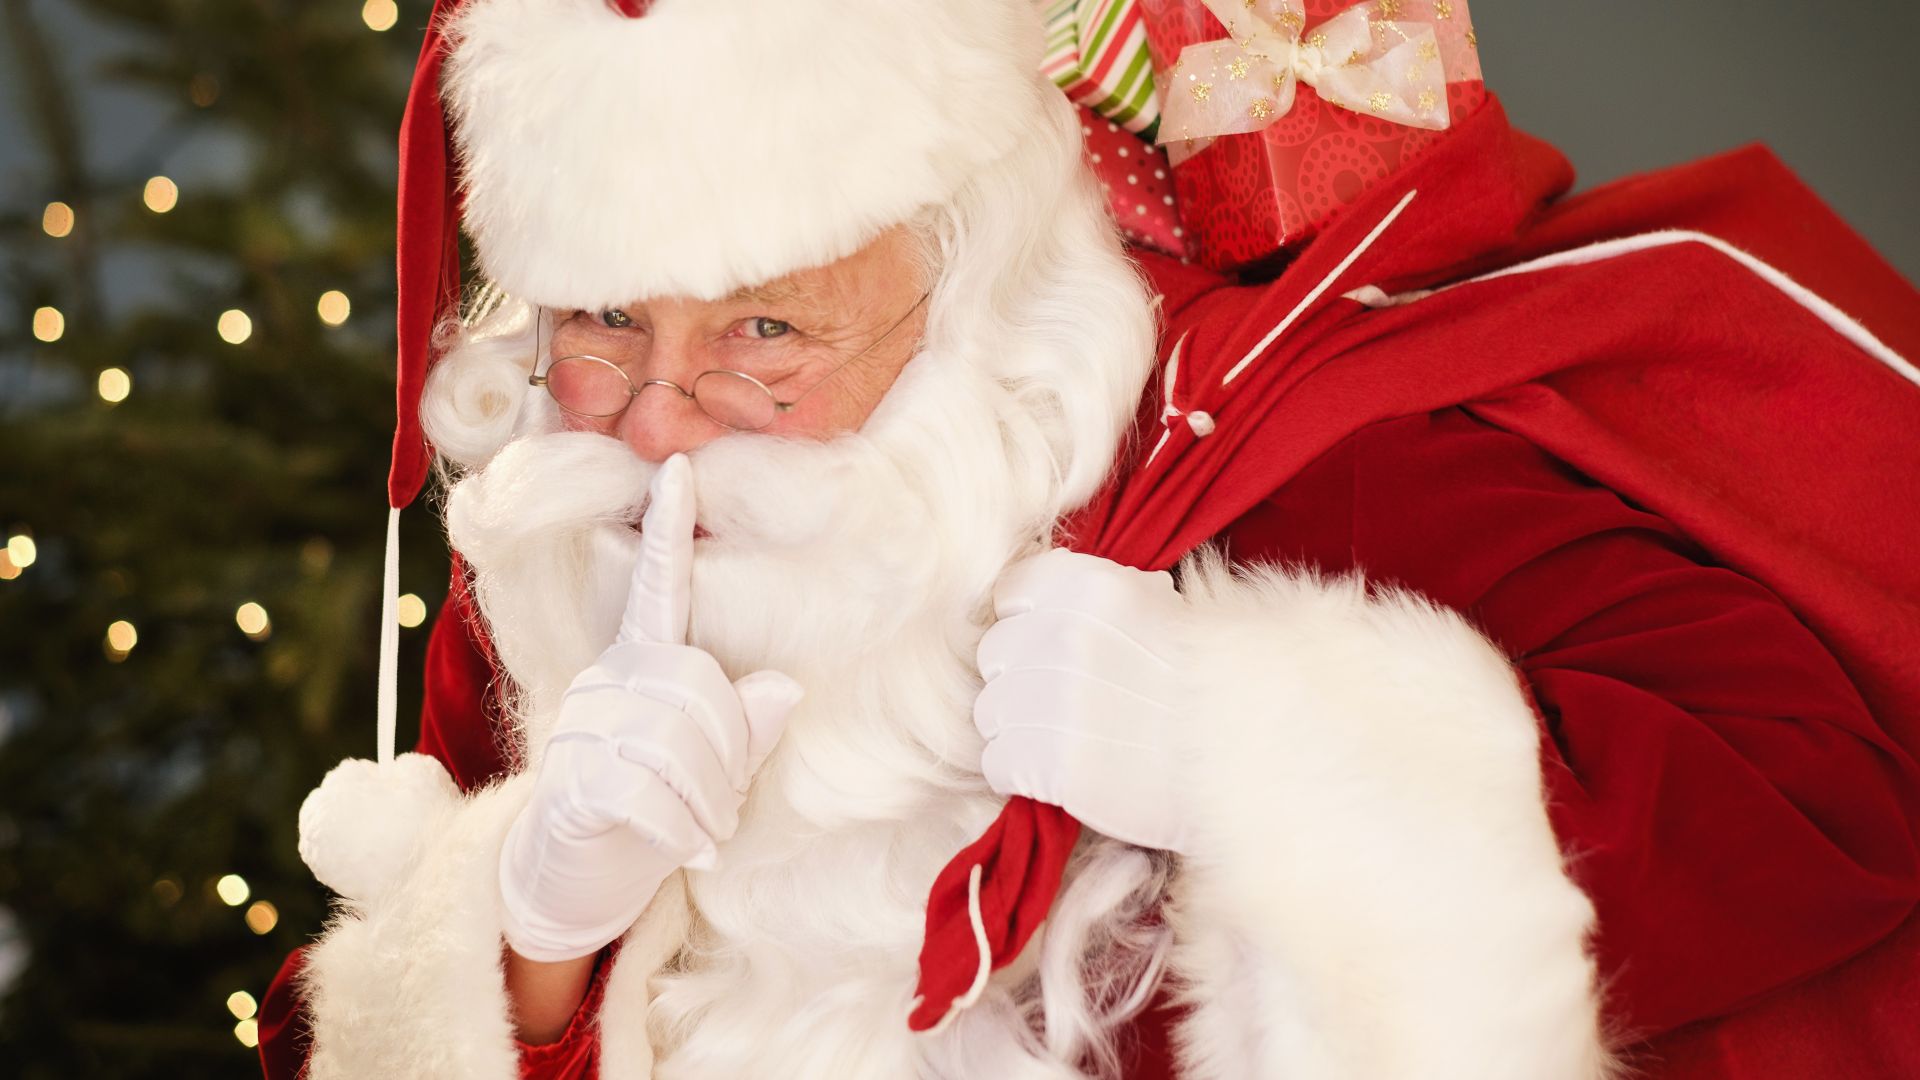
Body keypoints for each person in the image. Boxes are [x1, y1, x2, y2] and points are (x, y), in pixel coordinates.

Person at [261, 0, 1920, 1077]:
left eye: (769, 331)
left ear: (968, 282)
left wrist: (1256, 753)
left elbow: (1818, 795)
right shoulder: (570, 553)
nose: (658, 414)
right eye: (605, 316)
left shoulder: (1266, 459)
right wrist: (530, 940)